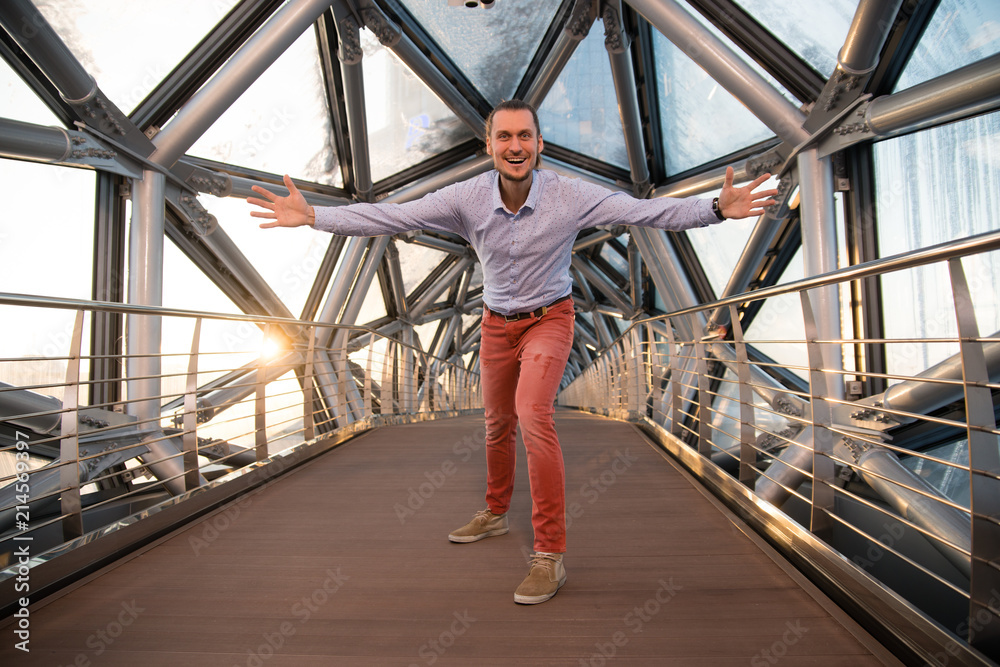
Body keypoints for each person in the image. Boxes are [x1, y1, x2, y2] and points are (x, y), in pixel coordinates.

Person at [248, 99, 777, 605]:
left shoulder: (570, 196)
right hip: (497, 326)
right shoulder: (465, 198)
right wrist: (314, 216)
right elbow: (391, 217)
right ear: (489, 145)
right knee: (496, 422)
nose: (515, 144)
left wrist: (714, 208)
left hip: (551, 318)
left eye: (525, 135)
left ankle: (549, 554)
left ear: (540, 144)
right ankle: (496, 512)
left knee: (532, 416)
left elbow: (644, 211)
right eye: (505, 136)